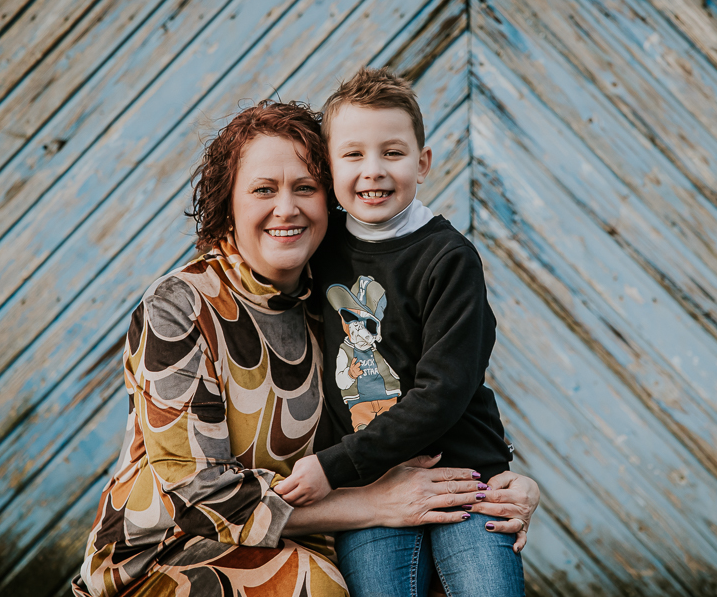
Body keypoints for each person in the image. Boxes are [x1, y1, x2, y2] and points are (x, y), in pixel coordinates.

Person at [71, 100, 538, 597]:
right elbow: (200, 497)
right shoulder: (180, 307)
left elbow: (436, 386)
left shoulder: (335, 292)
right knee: (317, 587)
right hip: (172, 548)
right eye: (263, 190)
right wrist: (373, 504)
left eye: (305, 188)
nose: (286, 208)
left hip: (313, 535)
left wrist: (504, 479)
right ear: (227, 200)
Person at [274, 68, 525, 596]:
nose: (373, 172)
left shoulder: (448, 258)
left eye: (392, 153)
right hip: (371, 485)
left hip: (464, 475)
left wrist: (331, 467)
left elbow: (444, 391)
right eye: (353, 155)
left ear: (423, 162)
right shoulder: (320, 249)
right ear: (328, 166)